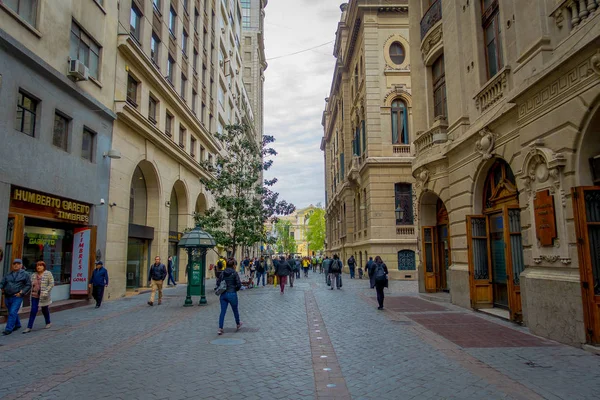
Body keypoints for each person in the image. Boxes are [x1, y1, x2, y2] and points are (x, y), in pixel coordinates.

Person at [0, 259, 31, 335]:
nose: (16, 265)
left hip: (17, 296)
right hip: (7, 296)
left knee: (13, 312)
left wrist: (22, 292)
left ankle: (8, 329)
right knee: (11, 312)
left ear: (21, 265)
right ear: (12, 265)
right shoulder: (8, 274)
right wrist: (1, 288)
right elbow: (2, 283)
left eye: (18, 264)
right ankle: (17, 324)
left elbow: (28, 285)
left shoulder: (25, 274)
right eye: (14, 264)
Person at [23, 261, 54, 333]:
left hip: (44, 296)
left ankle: (48, 322)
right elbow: (30, 284)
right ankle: (29, 327)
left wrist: (46, 291)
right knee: (33, 310)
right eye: (37, 266)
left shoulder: (48, 273)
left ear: (44, 266)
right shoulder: (33, 275)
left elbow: (51, 283)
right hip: (35, 295)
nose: (38, 267)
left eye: (40, 265)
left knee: (44, 309)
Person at [217, 259, 242, 335]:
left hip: (223, 294)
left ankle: (220, 328)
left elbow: (218, 283)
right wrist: (235, 289)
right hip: (232, 293)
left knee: (222, 311)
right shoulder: (234, 273)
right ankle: (238, 324)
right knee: (235, 310)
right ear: (233, 265)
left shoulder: (223, 273)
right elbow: (239, 284)